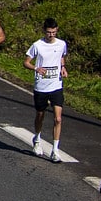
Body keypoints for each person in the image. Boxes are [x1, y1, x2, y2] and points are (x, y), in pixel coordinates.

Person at [26, 18, 68, 159]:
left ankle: (55, 150)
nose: (51, 35)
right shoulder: (37, 45)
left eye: (54, 32)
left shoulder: (62, 44)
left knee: (58, 118)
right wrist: (36, 68)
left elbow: (61, 56)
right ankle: (37, 139)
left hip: (56, 85)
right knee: (40, 115)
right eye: (49, 32)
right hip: (41, 86)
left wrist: (63, 67)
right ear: (44, 31)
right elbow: (26, 62)